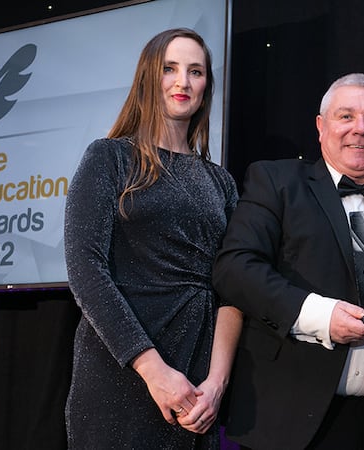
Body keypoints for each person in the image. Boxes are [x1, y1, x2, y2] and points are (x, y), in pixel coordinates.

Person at [211, 72, 364, 450]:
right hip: (290, 422)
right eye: (346, 116)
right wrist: (321, 317)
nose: (360, 129)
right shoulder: (276, 181)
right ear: (321, 126)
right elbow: (235, 268)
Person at [63, 28, 242, 449]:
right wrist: (154, 371)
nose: (183, 82)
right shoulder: (109, 157)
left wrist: (216, 383)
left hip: (199, 384)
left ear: (206, 86)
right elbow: (85, 270)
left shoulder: (221, 182)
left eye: (195, 72)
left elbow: (234, 289)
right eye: (170, 68)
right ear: (148, 76)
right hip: (122, 372)